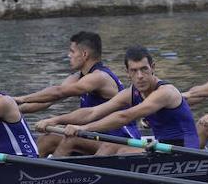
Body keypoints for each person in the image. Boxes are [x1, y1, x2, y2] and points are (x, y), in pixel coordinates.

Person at [38, 47, 198, 153]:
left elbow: (125, 116)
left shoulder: (165, 92)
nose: (140, 76)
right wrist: (55, 120)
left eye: (144, 69)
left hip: (185, 152)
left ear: (153, 68)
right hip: (161, 147)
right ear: (127, 72)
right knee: (57, 139)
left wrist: (84, 128)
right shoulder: (131, 93)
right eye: (134, 71)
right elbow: (93, 112)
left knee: (113, 147)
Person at [15, 31, 136, 157]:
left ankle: (49, 169)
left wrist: (21, 99)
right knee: (48, 139)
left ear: (84, 54)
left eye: (72, 51)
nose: (69, 55)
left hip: (119, 138)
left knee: (72, 139)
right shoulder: (78, 77)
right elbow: (47, 100)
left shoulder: (99, 77)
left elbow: (58, 92)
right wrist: (13, 109)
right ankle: (27, 168)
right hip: (96, 137)